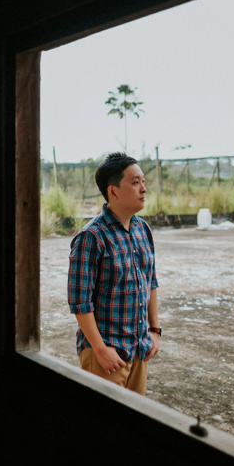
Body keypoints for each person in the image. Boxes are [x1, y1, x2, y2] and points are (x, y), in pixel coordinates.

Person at [67, 152, 161, 395]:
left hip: (140, 349)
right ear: (113, 191)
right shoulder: (91, 237)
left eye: (143, 181)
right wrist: (100, 349)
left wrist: (154, 331)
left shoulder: (143, 229)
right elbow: (79, 301)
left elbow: (151, 282)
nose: (143, 189)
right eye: (135, 182)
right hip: (106, 354)